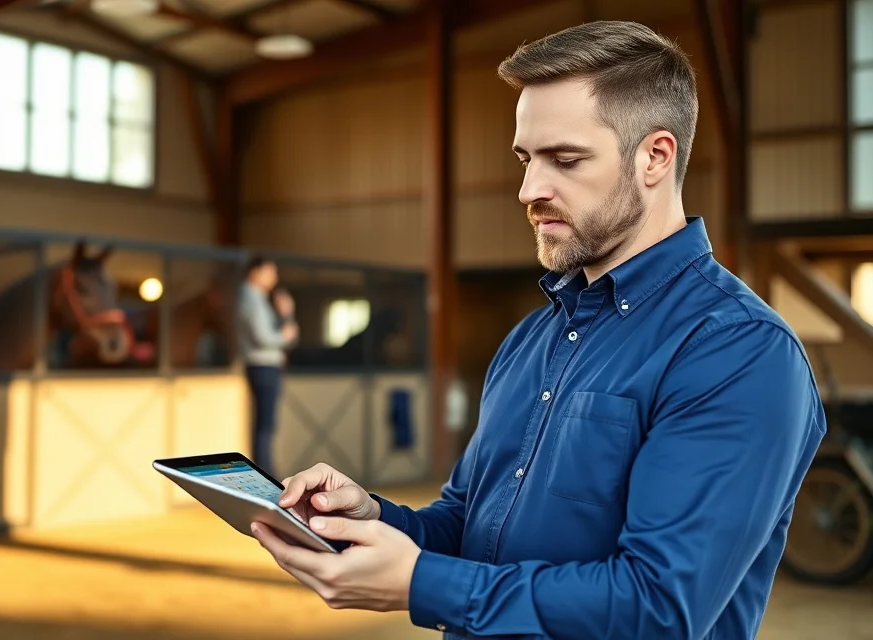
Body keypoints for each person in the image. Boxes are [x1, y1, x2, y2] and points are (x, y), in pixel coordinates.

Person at [249, 20, 826, 640]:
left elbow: (659, 608)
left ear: (655, 156)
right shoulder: (532, 338)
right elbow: (471, 524)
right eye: (526, 158)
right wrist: (373, 519)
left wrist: (420, 583)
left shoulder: (736, 350)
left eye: (565, 159)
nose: (529, 189)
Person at [237, 255, 299, 475]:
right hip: (263, 366)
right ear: (256, 272)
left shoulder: (257, 298)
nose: (274, 277)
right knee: (264, 425)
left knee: (265, 424)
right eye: (271, 271)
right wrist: (285, 331)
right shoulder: (251, 298)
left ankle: (265, 471)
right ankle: (265, 473)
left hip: (265, 366)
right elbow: (263, 336)